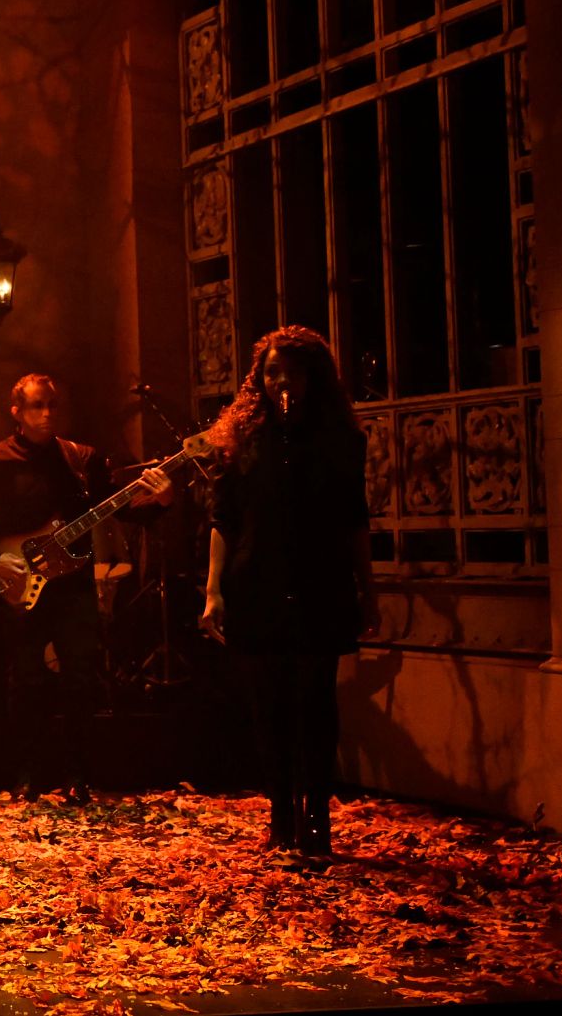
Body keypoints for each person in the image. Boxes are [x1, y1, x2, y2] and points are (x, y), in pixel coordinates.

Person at [0, 374, 175, 804]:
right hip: (22, 581)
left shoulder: (81, 458)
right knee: (26, 679)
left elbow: (119, 507)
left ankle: (78, 775)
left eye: (52, 405)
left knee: (81, 678)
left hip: (73, 583)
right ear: (16, 412)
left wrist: (159, 502)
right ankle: (28, 774)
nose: (47, 413)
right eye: (37, 406)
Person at [199, 326, 376, 857]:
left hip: (319, 579)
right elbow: (223, 520)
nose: (282, 382)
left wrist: (369, 589)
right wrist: (213, 592)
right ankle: (280, 815)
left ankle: (317, 816)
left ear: (312, 377)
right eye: (272, 372)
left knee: (316, 701)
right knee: (268, 703)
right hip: (257, 581)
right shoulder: (240, 441)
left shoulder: (339, 439)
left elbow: (354, 519)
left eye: (291, 372)